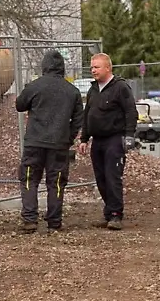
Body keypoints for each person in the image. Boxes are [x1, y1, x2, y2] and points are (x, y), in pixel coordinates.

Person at [14, 49, 85, 233]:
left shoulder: (35, 86)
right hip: (59, 144)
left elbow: (19, 105)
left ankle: (30, 219)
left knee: (29, 179)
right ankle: (54, 221)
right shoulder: (72, 91)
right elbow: (78, 118)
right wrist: (68, 138)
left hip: (34, 142)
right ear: (62, 68)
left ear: (44, 66)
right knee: (56, 182)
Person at [77, 53, 138, 230]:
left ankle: (116, 215)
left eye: (97, 67)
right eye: (92, 67)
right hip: (97, 140)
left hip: (114, 139)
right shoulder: (93, 90)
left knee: (113, 177)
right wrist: (84, 138)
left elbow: (131, 112)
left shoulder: (120, 88)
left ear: (108, 68)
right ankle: (109, 212)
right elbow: (87, 115)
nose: (93, 70)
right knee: (101, 178)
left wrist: (129, 136)